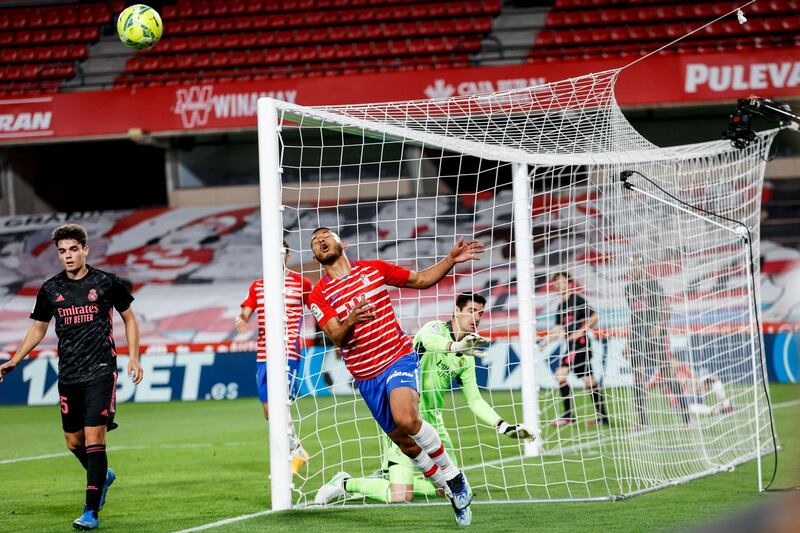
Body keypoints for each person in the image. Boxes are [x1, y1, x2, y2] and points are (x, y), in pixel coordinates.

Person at [307, 227, 483, 525]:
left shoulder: (373, 270)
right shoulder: (318, 294)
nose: (320, 240)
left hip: (397, 356)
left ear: (342, 243)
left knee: (406, 418)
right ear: (315, 254)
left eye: (326, 235)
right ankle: (448, 488)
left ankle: (454, 477)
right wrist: (351, 318)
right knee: (406, 443)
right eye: (314, 241)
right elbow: (336, 336)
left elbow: (420, 280)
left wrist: (450, 260)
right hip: (365, 374)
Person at [315, 292, 532, 505]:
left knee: (452, 489)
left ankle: (389, 476)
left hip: (434, 427)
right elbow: (429, 341)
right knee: (400, 496)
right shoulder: (435, 329)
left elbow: (475, 400)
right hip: (403, 421)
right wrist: (455, 346)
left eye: (480, 313)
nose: (476, 318)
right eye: (471, 311)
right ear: (456, 311)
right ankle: (345, 483)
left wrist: (504, 426)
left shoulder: (466, 358)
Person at [0, 224, 143, 531]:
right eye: (62, 251)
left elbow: (129, 318)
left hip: (101, 371)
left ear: (85, 250)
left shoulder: (106, 282)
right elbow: (38, 328)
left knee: (95, 440)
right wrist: (14, 359)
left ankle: (90, 511)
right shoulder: (51, 289)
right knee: (73, 442)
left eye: (73, 249)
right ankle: (101, 476)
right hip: (68, 375)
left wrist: (134, 356)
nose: (67, 256)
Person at [235, 241, 312, 474]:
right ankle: (296, 449)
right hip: (263, 354)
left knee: (281, 404)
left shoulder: (301, 283)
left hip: (289, 352)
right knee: (269, 409)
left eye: (281, 253)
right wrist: (242, 319)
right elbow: (246, 310)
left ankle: (291, 456)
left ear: (288, 257)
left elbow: (318, 307)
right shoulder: (258, 286)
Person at [540, 271, 608, 427]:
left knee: (560, 375)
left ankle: (569, 416)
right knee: (589, 381)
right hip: (572, 346)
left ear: (569, 283)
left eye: (562, 282)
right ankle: (603, 417)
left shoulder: (577, 300)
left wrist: (580, 331)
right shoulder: (561, 306)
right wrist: (546, 341)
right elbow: (559, 328)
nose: (559, 285)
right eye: (556, 283)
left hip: (580, 345)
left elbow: (594, 316)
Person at [623, 255, 672, 429]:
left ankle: (686, 416)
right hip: (637, 336)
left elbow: (666, 307)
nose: (635, 267)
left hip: (655, 335)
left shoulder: (653, 284)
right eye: (632, 265)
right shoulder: (628, 289)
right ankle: (642, 421)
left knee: (667, 374)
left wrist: (659, 325)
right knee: (638, 377)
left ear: (643, 266)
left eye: (637, 264)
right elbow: (632, 317)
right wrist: (628, 342)